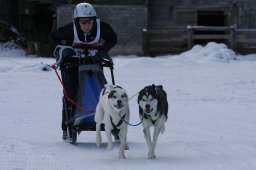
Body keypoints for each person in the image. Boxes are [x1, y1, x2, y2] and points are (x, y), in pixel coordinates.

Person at [49, 2, 117, 140]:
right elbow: (52, 37)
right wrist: (62, 51)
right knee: (71, 93)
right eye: (83, 22)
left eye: (90, 22)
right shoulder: (69, 29)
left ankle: (110, 119)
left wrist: (103, 50)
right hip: (72, 64)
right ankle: (67, 126)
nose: (87, 25)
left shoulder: (101, 27)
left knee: (102, 91)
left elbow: (113, 38)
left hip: (93, 63)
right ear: (77, 21)